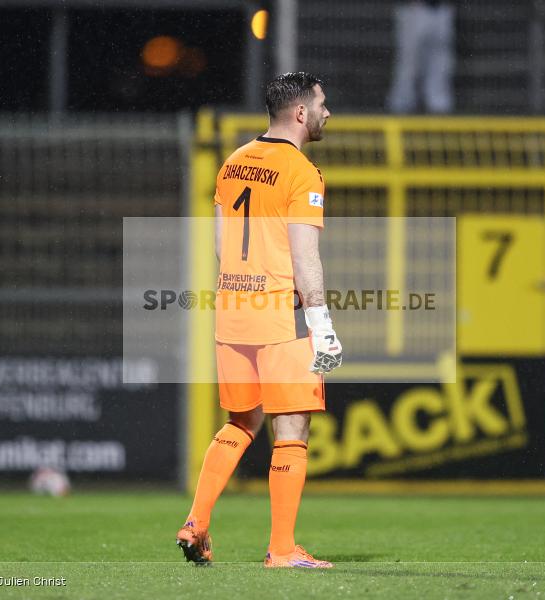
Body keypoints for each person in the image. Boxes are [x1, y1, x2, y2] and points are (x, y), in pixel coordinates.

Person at [176, 72, 342, 568]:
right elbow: (305, 256)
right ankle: (283, 549)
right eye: (322, 104)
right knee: (291, 428)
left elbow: (222, 245)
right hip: (278, 317)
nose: (327, 113)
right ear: (299, 113)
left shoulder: (233, 163)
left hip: (232, 310)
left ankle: (196, 522)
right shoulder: (301, 172)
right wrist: (323, 325)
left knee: (241, 422)